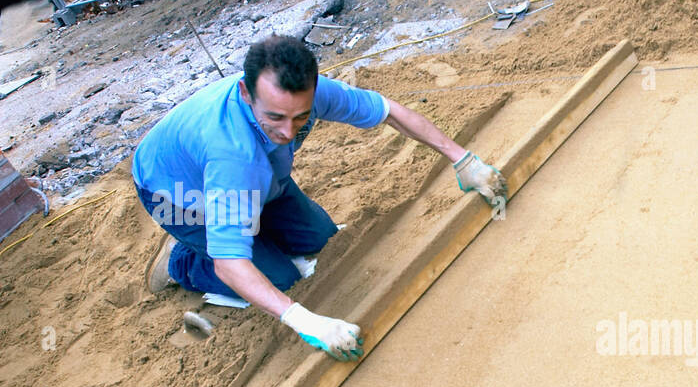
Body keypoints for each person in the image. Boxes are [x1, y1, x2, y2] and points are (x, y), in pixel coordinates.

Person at [132, 34, 505, 361]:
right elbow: (230, 264)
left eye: (300, 118)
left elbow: (391, 112)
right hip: (180, 195)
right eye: (275, 117)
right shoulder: (232, 155)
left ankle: (249, 228)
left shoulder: (304, 94)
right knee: (279, 280)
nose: (287, 130)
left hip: (261, 181)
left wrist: (463, 159)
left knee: (323, 240)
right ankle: (181, 261)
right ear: (246, 94)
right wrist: (305, 320)